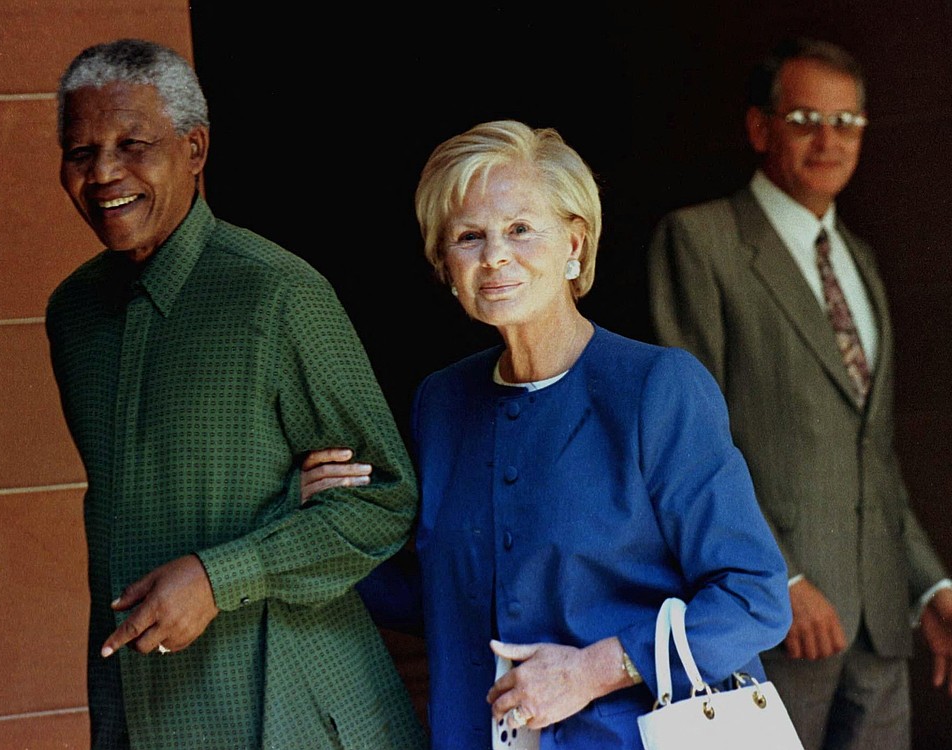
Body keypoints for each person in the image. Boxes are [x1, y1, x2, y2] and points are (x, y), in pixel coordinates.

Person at [302, 119, 793, 749]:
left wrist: (594, 670)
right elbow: (448, 600)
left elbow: (754, 598)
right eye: (468, 237)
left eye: (520, 229)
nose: (495, 255)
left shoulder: (656, 388)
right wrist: (322, 527)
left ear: (575, 243)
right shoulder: (441, 402)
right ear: (444, 266)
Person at [45, 38, 426, 749]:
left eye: (133, 144)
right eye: (79, 152)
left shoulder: (277, 295)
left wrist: (220, 576)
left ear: (194, 151)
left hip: (289, 705)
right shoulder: (73, 318)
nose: (103, 173)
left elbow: (386, 498)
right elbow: (130, 506)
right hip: (143, 705)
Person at [645, 36, 952, 750]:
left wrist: (929, 587)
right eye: (804, 119)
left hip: (879, 625)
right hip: (772, 619)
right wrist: (782, 577)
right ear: (760, 129)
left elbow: (873, 455)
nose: (829, 140)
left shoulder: (857, 258)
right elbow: (689, 446)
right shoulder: (700, 242)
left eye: (847, 122)